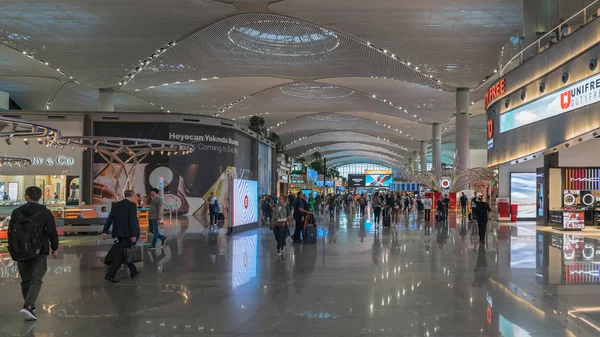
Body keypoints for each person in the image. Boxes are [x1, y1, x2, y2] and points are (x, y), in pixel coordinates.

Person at [8, 186, 59, 320]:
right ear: (40, 197)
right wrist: (55, 247)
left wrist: (13, 248)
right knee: (36, 278)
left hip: (20, 251)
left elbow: (10, 231)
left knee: (25, 279)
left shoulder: (16, 212)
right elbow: (52, 231)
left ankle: (29, 306)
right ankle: (29, 306)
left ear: (26, 196)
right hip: (39, 250)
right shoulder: (45, 212)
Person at [101, 190, 141, 282]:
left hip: (119, 233)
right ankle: (110, 274)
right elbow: (133, 221)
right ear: (131, 195)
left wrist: (105, 231)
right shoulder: (132, 205)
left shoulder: (116, 205)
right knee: (120, 255)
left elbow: (110, 218)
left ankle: (133, 271)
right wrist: (134, 235)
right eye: (134, 195)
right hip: (128, 234)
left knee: (124, 251)